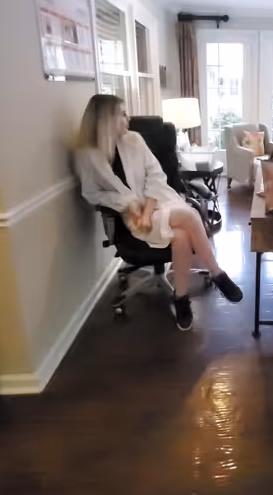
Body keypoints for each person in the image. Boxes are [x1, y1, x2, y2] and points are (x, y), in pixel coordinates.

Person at [72, 95, 242, 330]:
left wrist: (148, 208)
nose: (128, 118)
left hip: (159, 200)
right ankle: (212, 276)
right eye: (122, 114)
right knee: (187, 223)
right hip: (132, 217)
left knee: (184, 226)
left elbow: (155, 175)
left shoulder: (134, 140)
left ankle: (188, 292)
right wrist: (128, 204)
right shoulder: (87, 155)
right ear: (106, 120)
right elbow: (92, 194)